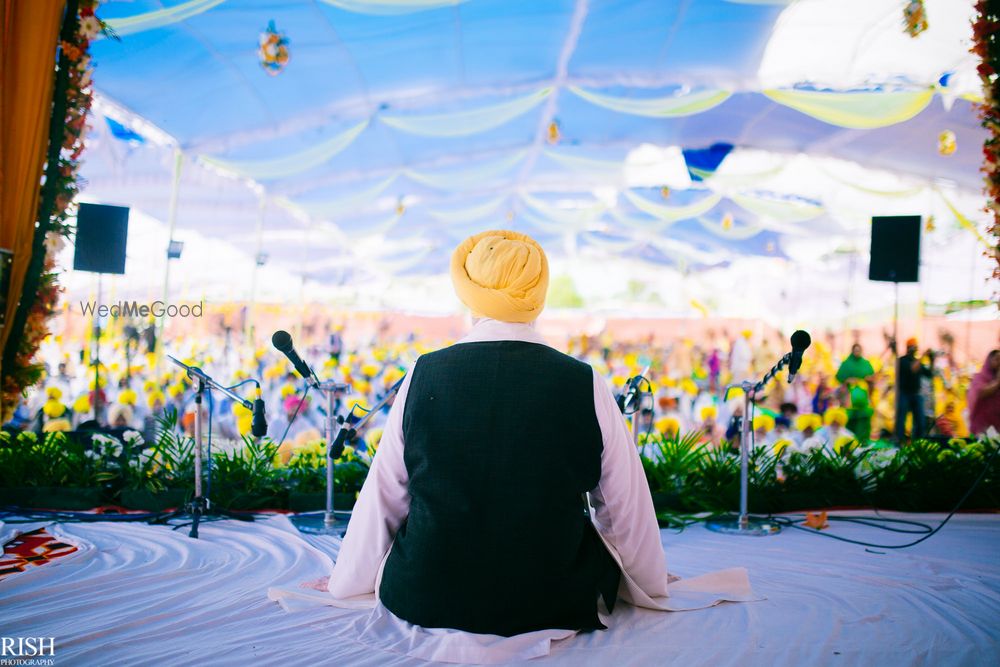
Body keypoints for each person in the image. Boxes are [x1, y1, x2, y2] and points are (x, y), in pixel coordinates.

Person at [320, 230, 754, 662]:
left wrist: (346, 582)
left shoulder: (423, 374)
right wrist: (649, 584)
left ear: (470, 295)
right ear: (537, 294)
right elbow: (623, 507)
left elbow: (385, 497)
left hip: (427, 594)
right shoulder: (583, 381)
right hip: (553, 596)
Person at [896, 338, 931, 440]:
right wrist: (923, 356)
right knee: (901, 419)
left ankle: (917, 441)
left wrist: (932, 360)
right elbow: (912, 369)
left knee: (920, 421)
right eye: (913, 346)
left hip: (916, 394)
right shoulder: (902, 360)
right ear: (908, 348)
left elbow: (929, 374)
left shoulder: (917, 361)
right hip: (904, 394)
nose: (915, 349)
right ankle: (900, 441)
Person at [968, 349, 1000, 436]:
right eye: (997, 359)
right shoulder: (979, 378)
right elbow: (980, 393)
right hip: (981, 426)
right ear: (989, 361)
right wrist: (997, 382)